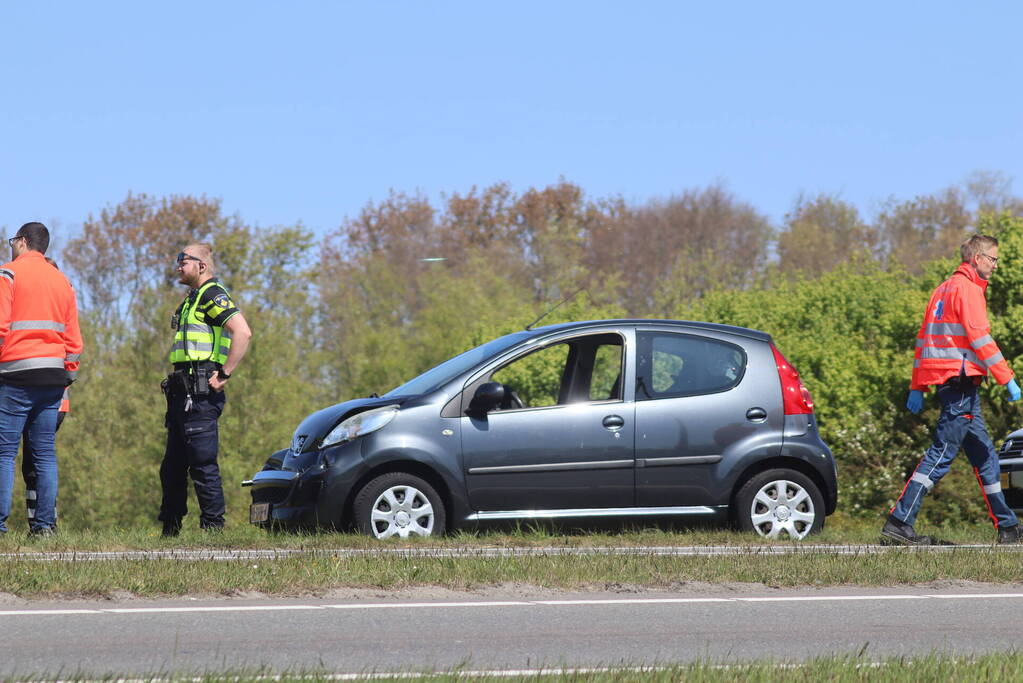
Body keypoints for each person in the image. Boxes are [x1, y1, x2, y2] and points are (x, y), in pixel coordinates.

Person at [882, 234, 1022, 545]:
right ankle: (899, 521)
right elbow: (980, 339)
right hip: (959, 384)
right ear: (977, 259)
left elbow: (924, 341)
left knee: (985, 455)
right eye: (993, 259)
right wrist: (1007, 378)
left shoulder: (941, 290)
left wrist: (917, 386)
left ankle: (1008, 525)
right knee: (941, 453)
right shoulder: (968, 290)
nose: (996, 266)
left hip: (954, 385)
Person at [159, 243, 251, 536]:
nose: (177, 266)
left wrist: (225, 373)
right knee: (172, 466)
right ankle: (170, 530)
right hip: (181, 391)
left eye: (183, 260)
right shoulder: (192, 298)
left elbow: (243, 331)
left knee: (202, 462)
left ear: (202, 265)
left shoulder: (213, 294)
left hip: (200, 392)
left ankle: (214, 530)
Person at [0, 222, 82, 536]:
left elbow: (1, 326)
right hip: (53, 377)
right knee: (44, 452)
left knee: (5, 452)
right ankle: (45, 526)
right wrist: (68, 374)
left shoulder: (8, 274)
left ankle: (1, 525)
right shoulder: (62, 280)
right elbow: (74, 339)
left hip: (15, 373)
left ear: (22, 241)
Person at [22, 258, 70, 527]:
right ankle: (44, 524)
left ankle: (42, 522)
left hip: (31, 393)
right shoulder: (63, 301)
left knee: (33, 463)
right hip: (56, 397)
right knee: (40, 460)